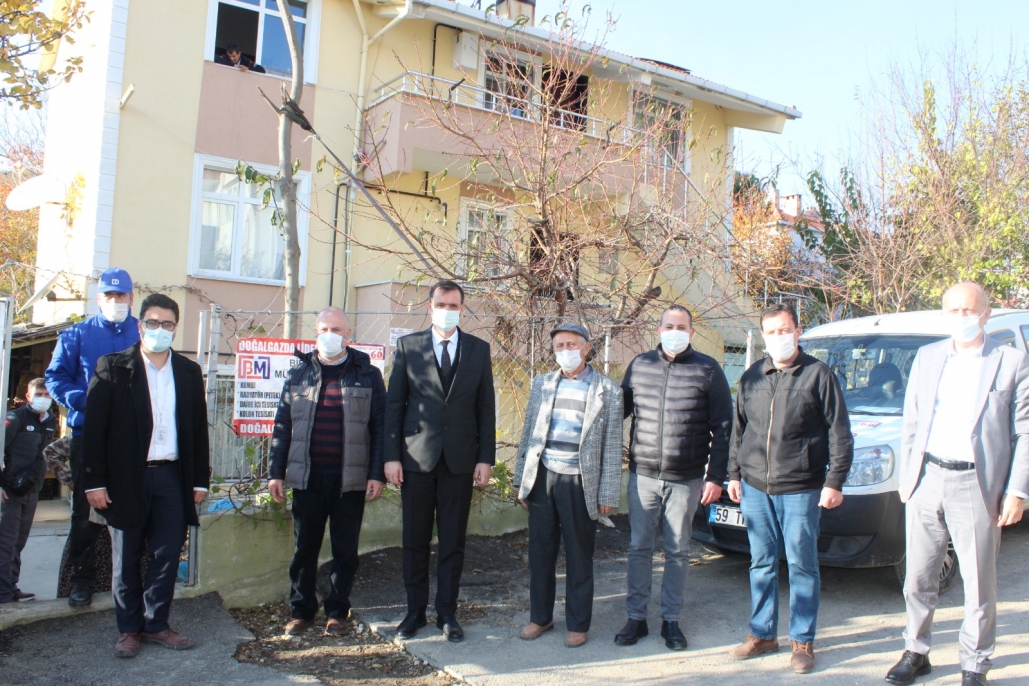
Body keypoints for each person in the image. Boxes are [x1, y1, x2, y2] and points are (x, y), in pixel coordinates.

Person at [885, 282, 1029, 686]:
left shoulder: (1011, 362)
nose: (962, 318)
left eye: (970, 310)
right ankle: (916, 651)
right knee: (918, 577)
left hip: (978, 484)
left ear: (986, 314)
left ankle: (975, 663)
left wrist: (1017, 491)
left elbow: (1024, 431)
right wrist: (908, 478)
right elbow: (912, 420)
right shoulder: (928, 356)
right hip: (927, 478)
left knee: (979, 583)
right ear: (943, 315)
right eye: (954, 311)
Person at [726, 302, 853, 674]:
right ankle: (762, 634)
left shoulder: (818, 375)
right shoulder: (752, 376)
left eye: (785, 330)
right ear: (763, 336)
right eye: (771, 332)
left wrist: (834, 481)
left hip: (800, 487)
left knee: (801, 565)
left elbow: (840, 433)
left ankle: (802, 640)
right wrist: (733, 474)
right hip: (755, 487)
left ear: (798, 332)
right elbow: (739, 429)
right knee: (761, 563)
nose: (778, 337)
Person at [83, 293, 210, 658]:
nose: (159, 329)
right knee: (126, 558)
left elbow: (197, 430)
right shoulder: (113, 367)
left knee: (167, 554)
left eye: (167, 324)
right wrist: (94, 482)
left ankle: (156, 624)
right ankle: (128, 629)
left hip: (171, 477)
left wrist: (199, 480)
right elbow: (94, 430)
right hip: (126, 480)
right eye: (152, 322)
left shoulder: (188, 372)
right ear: (140, 326)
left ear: (175, 328)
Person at [614, 305, 733, 651]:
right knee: (639, 547)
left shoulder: (708, 369)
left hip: (687, 478)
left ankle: (671, 620)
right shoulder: (640, 365)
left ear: (692, 332)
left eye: (682, 327)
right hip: (643, 476)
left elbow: (724, 428)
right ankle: (636, 618)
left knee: (678, 550)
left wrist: (716, 477)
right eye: (669, 326)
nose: (675, 332)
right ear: (658, 329)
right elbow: (617, 412)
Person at [383, 280, 496, 643]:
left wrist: (485, 458)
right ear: (429, 307)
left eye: (454, 305)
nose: (447, 311)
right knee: (414, 541)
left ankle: (447, 613)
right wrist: (391, 457)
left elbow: (486, 408)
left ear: (462, 309)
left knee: (452, 542)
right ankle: (414, 612)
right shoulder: (409, 346)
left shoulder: (478, 349)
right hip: (416, 460)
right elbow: (394, 406)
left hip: (460, 461)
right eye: (441, 304)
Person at [268, 307, 387, 637]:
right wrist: (275, 472)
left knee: (345, 551)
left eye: (336, 329)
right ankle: (301, 611)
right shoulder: (299, 375)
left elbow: (380, 428)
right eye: (323, 329)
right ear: (316, 333)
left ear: (348, 335)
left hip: (350, 480)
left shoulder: (367, 374)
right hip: (307, 478)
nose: (329, 335)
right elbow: (282, 426)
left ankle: (337, 611)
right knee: (304, 549)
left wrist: (376, 473)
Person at [513, 322, 623, 648]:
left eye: (572, 345)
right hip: (543, 477)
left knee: (579, 555)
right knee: (540, 552)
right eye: (559, 346)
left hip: (581, 483)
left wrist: (607, 492)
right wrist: (521, 481)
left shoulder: (608, 391)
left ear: (586, 348)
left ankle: (577, 623)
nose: (565, 351)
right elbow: (529, 433)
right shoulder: (542, 384)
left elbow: (612, 446)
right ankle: (540, 617)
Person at [46, 266, 140, 608]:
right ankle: (81, 581)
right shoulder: (76, 335)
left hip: (133, 437)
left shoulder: (143, 332)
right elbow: (55, 377)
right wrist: (85, 400)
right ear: (99, 298)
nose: (115, 300)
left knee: (134, 505)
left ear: (131, 297)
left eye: (121, 295)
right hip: (88, 434)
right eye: (109, 295)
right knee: (85, 511)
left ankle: (133, 578)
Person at [0, 379, 57, 603]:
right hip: (10, 491)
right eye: (39, 394)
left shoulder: (50, 421)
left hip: (32, 489)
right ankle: (3, 594)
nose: (43, 398)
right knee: (5, 542)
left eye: (47, 394)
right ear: (28, 397)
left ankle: (10, 586)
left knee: (19, 542)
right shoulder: (15, 419)